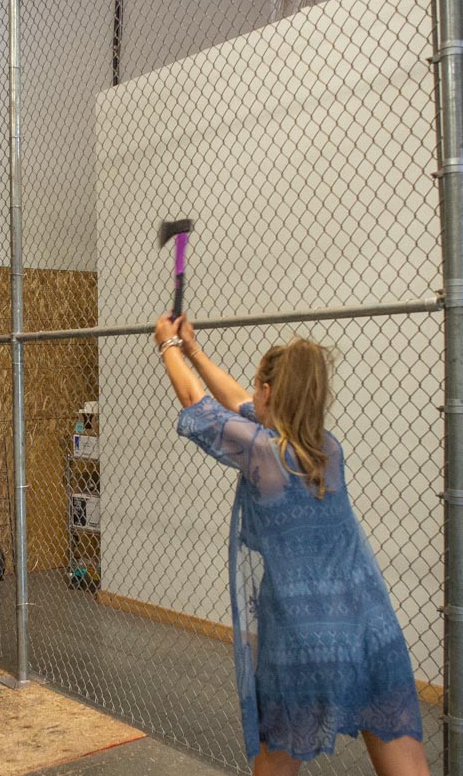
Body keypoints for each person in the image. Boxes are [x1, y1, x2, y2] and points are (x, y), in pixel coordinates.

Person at [153, 313, 430, 776]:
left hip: (303, 640)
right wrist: (194, 350)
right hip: (369, 630)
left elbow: (195, 402)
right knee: (406, 765)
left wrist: (167, 346)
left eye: (256, 390)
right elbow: (238, 401)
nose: (249, 397)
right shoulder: (328, 449)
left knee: (277, 762)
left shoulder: (261, 452)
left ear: (267, 392)